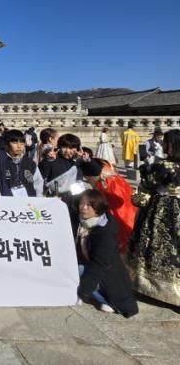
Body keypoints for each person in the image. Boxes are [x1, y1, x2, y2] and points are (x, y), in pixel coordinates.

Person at [127, 129, 180, 306]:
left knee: (159, 242)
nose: (163, 144)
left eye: (166, 142)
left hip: (165, 207)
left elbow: (149, 183)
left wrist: (147, 167)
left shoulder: (164, 166)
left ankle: (158, 286)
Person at [76, 189, 139, 317]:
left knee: (77, 271)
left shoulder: (105, 232)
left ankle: (107, 301)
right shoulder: (81, 221)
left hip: (107, 274)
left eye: (89, 205)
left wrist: (82, 292)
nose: (83, 208)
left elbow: (99, 265)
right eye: (81, 203)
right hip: (90, 264)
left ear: (97, 208)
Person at [81, 158, 136, 254]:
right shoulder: (108, 172)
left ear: (91, 176)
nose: (88, 182)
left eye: (87, 179)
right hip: (130, 211)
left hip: (121, 214)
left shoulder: (104, 184)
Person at [2, 129, 43, 197]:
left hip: (29, 201)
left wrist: (38, 199)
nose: (19, 146)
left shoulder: (30, 163)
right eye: (15, 143)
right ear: (7, 144)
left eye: (22, 143)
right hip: (8, 201)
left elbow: (38, 183)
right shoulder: (1, 162)